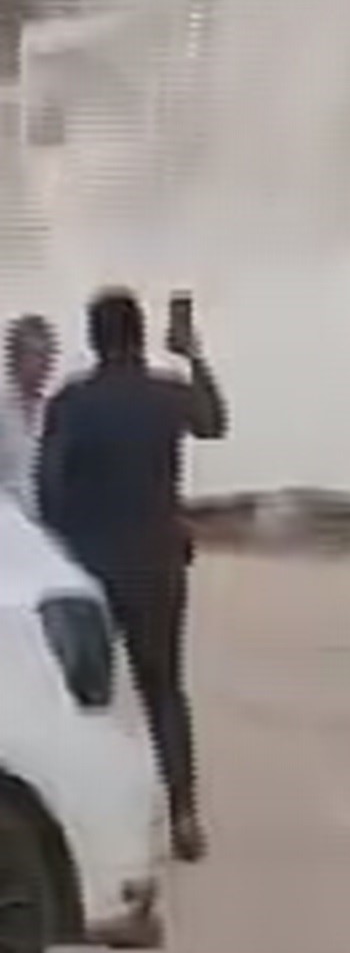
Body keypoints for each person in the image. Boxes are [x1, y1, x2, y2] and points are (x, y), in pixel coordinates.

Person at [38, 287, 226, 863]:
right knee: (164, 690)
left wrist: (65, 540)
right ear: (142, 336)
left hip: (90, 570)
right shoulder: (167, 395)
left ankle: (74, 821)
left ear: (94, 339)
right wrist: (194, 354)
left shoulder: (73, 402)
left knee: (81, 698)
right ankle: (184, 815)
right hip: (157, 563)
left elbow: (48, 486)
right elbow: (214, 423)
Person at [0, 310, 54, 516]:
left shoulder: (54, 411)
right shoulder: (2, 411)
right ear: (15, 358)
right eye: (35, 354)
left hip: (48, 523)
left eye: (47, 355)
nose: (43, 365)